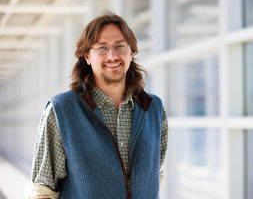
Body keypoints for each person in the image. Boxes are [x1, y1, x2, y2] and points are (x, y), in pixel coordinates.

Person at [24, 12, 168, 199]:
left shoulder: (153, 109)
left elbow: (154, 175)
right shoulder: (62, 111)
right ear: (86, 56)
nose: (112, 56)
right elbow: (42, 191)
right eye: (102, 48)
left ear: (131, 52)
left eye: (120, 46)